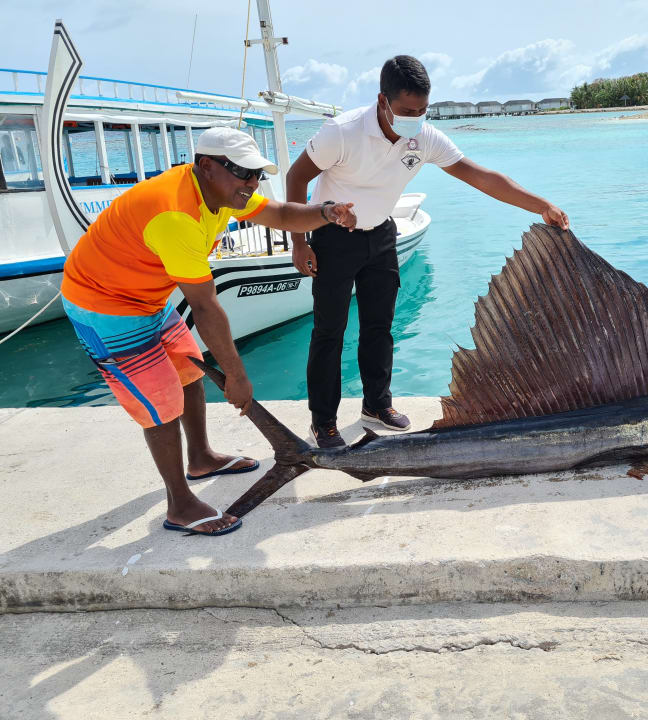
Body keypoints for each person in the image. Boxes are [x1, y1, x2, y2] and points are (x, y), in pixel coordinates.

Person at [60, 127, 357, 536]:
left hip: (146, 295)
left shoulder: (221, 193)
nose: (251, 183)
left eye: (256, 174)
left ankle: (200, 457)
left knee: (190, 372)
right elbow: (204, 305)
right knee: (160, 403)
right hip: (103, 305)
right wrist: (237, 375)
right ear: (206, 166)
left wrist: (326, 212)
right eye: (242, 173)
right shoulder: (176, 214)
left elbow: (282, 214)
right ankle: (180, 505)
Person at [286, 55, 569, 447]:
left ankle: (377, 404)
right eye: (407, 111)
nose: (415, 118)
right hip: (333, 236)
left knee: (380, 327)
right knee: (330, 332)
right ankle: (324, 422)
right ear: (382, 100)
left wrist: (541, 204)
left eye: (422, 110)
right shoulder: (342, 131)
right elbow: (296, 177)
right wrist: (299, 243)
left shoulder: (425, 136)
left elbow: (481, 176)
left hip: (383, 234)